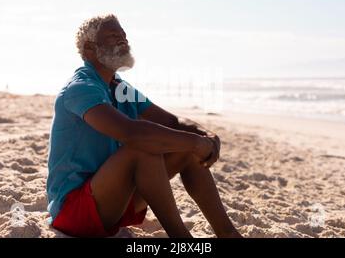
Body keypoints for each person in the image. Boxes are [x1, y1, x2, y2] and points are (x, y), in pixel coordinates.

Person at [46, 14, 242, 238]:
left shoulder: (119, 87)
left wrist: (205, 135)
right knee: (142, 147)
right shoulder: (81, 88)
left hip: (115, 203)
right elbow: (132, 133)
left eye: (124, 36)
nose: (123, 41)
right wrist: (195, 142)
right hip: (74, 211)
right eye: (113, 36)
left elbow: (172, 122)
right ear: (90, 49)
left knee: (184, 149)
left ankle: (228, 234)